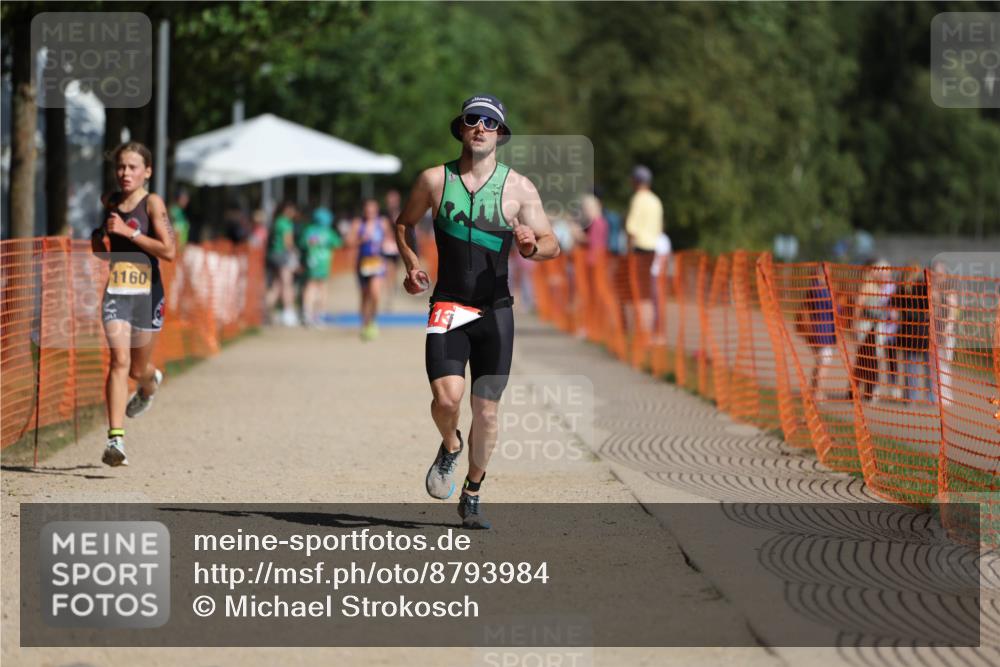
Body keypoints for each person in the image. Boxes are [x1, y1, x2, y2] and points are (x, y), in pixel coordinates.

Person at [393, 94, 560, 529]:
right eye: (473, 119)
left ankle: (472, 492)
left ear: (500, 134)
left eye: (490, 122)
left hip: (495, 312)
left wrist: (531, 247)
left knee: (486, 412)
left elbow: (552, 244)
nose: (481, 127)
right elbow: (404, 223)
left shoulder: (519, 188)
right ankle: (451, 445)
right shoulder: (434, 180)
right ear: (462, 128)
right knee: (446, 399)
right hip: (449, 305)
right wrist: (412, 264)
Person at [90, 141, 176, 467]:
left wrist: (130, 232)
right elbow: (105, 252)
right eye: (120, 167)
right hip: (117, 291)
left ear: (147, 172)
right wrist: (99, 242)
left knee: (139, 370)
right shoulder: (110, 201)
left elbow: (169, 252)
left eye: (132, 167)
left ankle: (149, 386)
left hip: (148, 293)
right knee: (119, 361)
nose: (125, 173)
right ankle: (116, 440)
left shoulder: (152, 203)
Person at [348, 199, 392, 341]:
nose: (370, 212)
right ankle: (364, 322)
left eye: (373, 210)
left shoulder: (383, 223)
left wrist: (387, 245)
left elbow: (390, 238)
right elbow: (348, 242)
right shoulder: (358, 223)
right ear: (364, 210)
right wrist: (360, 240)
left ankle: (372, 321)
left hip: (378, 263)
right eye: (368, 210)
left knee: (375, 293)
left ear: (377, 210)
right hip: (363, 263)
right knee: (365, 295)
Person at [300, 206, 341, 327]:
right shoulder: (329, 232)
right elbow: (338, 243)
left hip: (311, 262)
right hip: (324, 263)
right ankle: (320, 315)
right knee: (322, 287)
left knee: (310, 286)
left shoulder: (309, 230)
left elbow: (302, 243)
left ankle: (307, 314)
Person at [266, 201, 300, 327]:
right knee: (287, 284)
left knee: (277, 285)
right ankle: (288, 313)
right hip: (283, 255)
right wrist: (295, 255)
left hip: (274, 255)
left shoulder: (277, 222)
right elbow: (288, 242)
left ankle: (266, 311)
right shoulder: (286, 223)